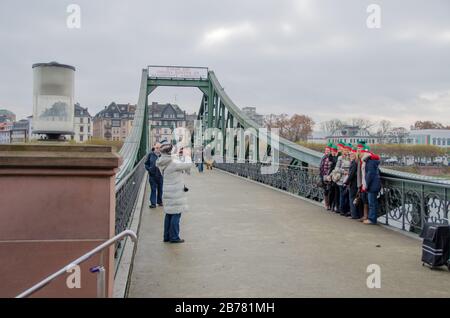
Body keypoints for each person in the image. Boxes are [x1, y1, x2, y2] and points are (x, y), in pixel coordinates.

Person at [156, 142, 192, 243]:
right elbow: (188, 165)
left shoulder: (163, 161)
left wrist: (178, 154)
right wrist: (187, 155)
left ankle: (166, 236)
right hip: (175, 193)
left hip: (167, 191)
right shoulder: (173, 163)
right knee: (176, 214)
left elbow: (174, 159)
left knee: (169, 214)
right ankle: (174, 237)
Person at [331, 142, 351, 216]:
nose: (346, 151)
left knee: (346, 196)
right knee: (342, 195)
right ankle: (341, 210)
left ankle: (346, 210)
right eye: (345, 150)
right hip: (341, 179)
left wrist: (349, 172)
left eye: (348, 150)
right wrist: (344, 171)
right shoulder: (340, 158)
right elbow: (336, 168)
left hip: (348, 179)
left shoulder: (351, 157)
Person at [362, 150, 381, 225]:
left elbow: (369, 175)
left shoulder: (369, 163)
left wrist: (366, 185)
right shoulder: (373, 162)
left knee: (372, 203)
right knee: (373, 203)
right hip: (375, 185)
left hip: (372, 186)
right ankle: (372, 218)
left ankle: (372, 219)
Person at [145, 143, 163, 209]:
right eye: (157, 148)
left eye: (159, 148)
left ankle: (160, 201)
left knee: (160, 189)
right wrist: (149, 169)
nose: (158, 149)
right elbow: (146, 164)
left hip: (160, 176)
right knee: (153, 189)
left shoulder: (163, 155)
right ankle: (153, 203)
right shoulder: (150, 154)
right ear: (154, 148)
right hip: (152, 176)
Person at [345, 147, 360, 219]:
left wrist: (347, 182)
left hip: (353, 183)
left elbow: (351, 174)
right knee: (353, 198)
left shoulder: (354, 163)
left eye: (352, 154)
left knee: (352, 198)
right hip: (354, 183)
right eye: (350, 154)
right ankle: (354, 214)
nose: (350, 155)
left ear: (354, 155)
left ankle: (354, 215)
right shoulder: (355, 162)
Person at [319, 143, 333, 210]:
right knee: (325, 191)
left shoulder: (331, 157)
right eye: (326, 150)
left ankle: (329, 205)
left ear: (330, 151)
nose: (327, 151)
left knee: (329, 191)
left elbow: (330, 168)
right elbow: (321, 167)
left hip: (328, 177)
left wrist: (327, 176)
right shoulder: (323, 157)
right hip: (323, 176)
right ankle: (327, 204)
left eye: (328, 150)